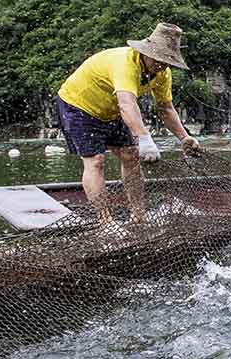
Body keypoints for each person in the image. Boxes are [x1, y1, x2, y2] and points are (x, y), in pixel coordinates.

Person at [56, 23, 200, 226]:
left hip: (111, 110)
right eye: (159, 59)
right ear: (147, 53)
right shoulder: (125, 62)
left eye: (168, 61)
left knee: (131, 155)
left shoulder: (162, 73)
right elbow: (127, 103)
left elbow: (166, 108)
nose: (162, 65)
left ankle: (138, 216)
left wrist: (184, 137)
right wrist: (144, 138)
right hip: (79, 106)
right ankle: (106, 224)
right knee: (96, 161)